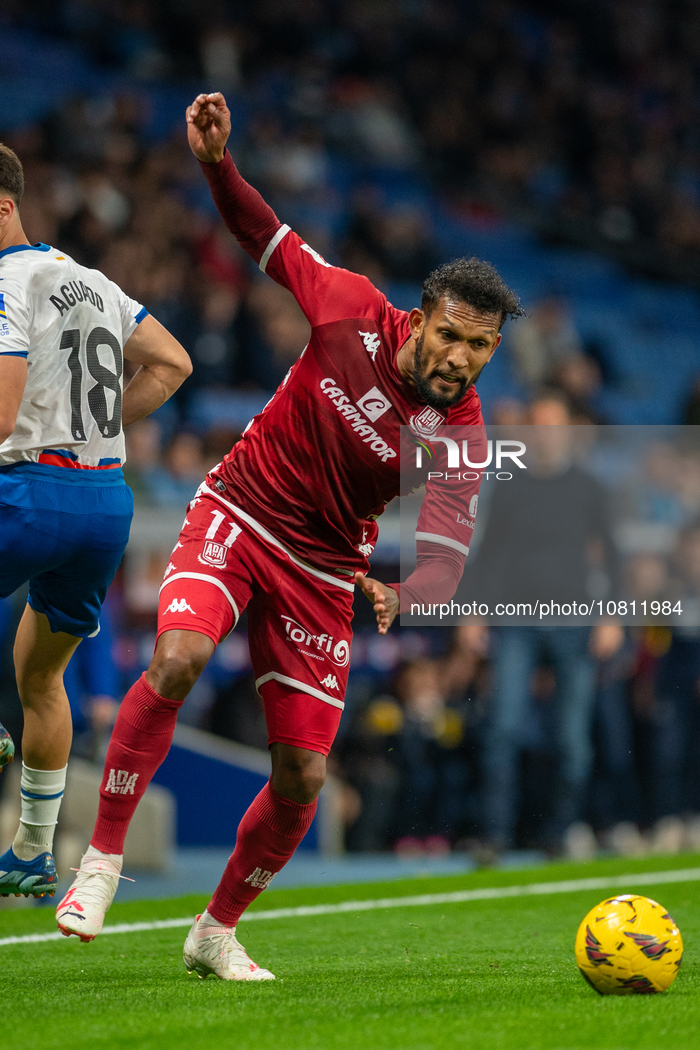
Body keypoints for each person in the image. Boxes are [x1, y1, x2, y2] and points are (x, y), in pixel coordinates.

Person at [57, 92, 522, 980]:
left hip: (322, 570)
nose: (462, 359)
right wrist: (215, 164)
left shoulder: (461, 436)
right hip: (239, 511)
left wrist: (406, 594)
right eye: (453, 337)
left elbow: (447, 555)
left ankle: (216, 929)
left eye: (482, 348)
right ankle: (101, 861)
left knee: (304, 779)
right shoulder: (345, 305)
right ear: (420, 318)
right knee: (179, 659)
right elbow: (260, 233)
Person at [0, 143, 191, 898]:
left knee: (37, 675)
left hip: (29, 492)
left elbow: (3, 411)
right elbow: (173, 362)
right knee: (41, 676)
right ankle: (33, 853)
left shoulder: (5, 283)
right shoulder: (92, 280)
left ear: (4, 205)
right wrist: (98, 428)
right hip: (104, 501)